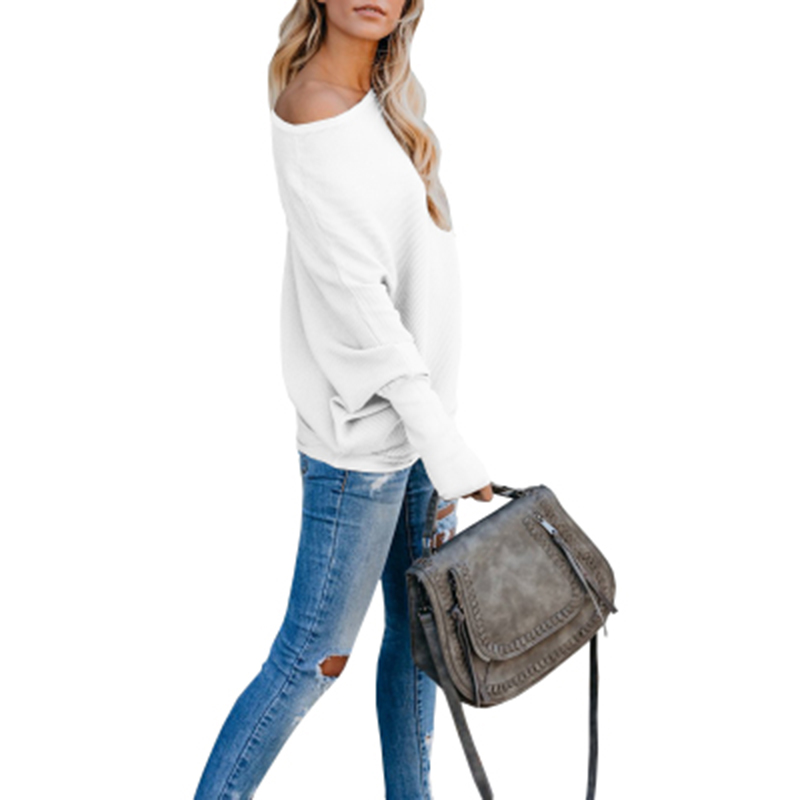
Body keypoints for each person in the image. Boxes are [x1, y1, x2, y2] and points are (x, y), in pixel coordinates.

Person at [193, 1, 493, 798]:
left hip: (421, 431)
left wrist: (438, 435)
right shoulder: (315, 113)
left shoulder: (383, 103)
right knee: (309, 661)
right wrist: (447, 444)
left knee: (420, 647)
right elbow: (364, 311)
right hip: (364, 449)